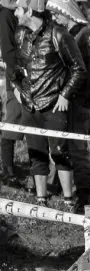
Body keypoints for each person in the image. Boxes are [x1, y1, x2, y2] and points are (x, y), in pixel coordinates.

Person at [13, 0, 87, 207]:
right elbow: (16, 69)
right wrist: (17, 89)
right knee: (36, 153)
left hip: (54, 105)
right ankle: (41, 200)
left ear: (29, 10)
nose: (16, 14)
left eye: (18, 9)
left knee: (60, 154)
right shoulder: (20, 35)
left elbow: (79, 69)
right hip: (29, 105)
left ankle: (68, 201)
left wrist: (65, 95)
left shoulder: (59, 35)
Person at [47, 0, 90, 212]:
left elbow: (88, 75)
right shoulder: (88, 34)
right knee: (70, 149)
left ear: (67, 14)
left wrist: (79, 100)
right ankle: (72, 192)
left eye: (58, 14)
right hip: (85, 101)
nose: (55, 19)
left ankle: (84, 200)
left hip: (80, 102)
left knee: (78, 152)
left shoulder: (83, 37)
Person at [0, 0, 24, 186]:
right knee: (12, 121)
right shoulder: (7, 15)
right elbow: (9, 51)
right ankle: (8, 171)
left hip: (25, 75)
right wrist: (15, 81)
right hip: (16, 77)